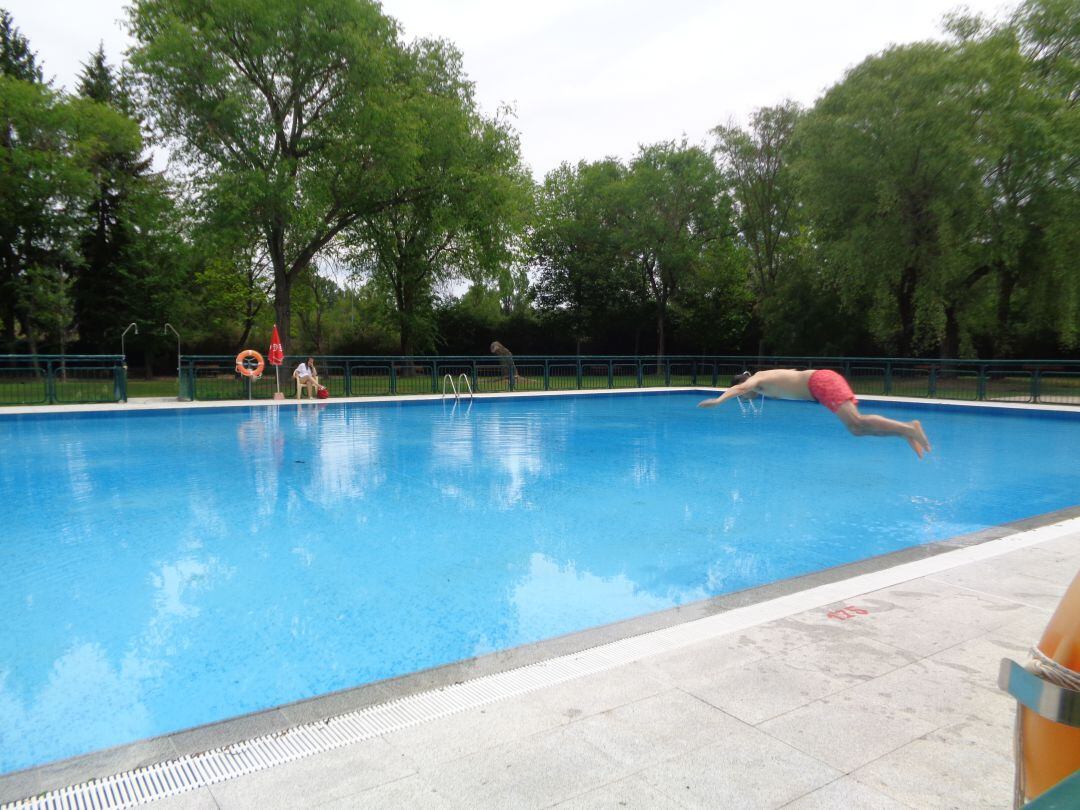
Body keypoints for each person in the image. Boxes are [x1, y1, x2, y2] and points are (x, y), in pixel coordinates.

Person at [698, 368, 932, 458]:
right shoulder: (762, 379)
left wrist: (719, 401)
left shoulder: (756, 380)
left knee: (857, 424)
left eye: (743, 396)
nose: (745, 398)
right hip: (820, 387)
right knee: (856, 429)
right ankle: (905, 432)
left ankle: (909, 428)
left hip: (820, 383)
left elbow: (740, 388)